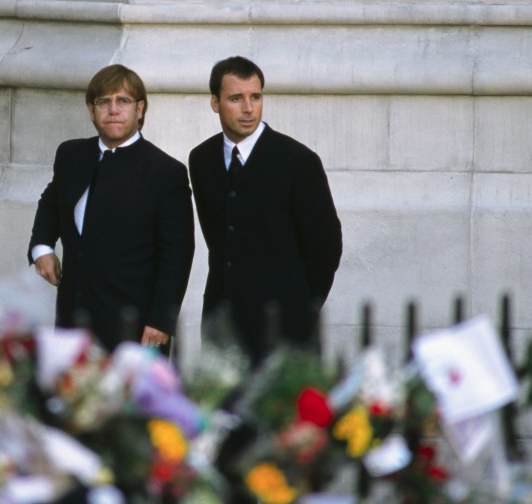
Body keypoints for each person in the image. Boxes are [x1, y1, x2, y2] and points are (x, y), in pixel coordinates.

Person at [28, 64, 195, 352]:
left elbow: (177, 255)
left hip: (132, 326)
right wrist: (42, 246)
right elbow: (52, 200)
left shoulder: (166, 172)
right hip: (72, 319)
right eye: (103, 102)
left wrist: (160, 321)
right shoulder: (71, 154)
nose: (113, 109)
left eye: (123, 101)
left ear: (140, 109)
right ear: (91, 111)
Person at [189, 56, 342, 363]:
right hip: (222, 326)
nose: (248, 108)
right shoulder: (201, 159)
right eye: (236, 98)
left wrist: (299, 308)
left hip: (285, 330)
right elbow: (218, 240)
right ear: (215, 103)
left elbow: (326, 248)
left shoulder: (298, 162)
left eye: (255, 97)